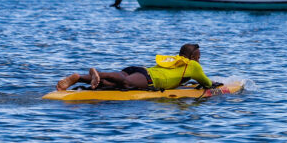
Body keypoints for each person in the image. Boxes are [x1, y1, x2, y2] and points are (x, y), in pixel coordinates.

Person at [56, 43, 218, 91]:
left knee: (114, 84)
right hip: (148, 79)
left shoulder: (175, 60)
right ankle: (97, 72)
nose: (199, 60)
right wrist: (214, 85)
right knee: (126, 82)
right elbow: (207, 82)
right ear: (193, 57)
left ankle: (79, 78)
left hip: (140, 70)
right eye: (198, 57)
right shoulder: (193, 66)